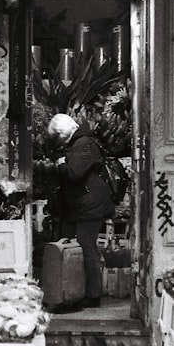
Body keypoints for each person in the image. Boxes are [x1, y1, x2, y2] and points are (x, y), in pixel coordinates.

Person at [47, 113, 115, 309]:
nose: (56, 142)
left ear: (63, 133)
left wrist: (60, 164)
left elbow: (73, 173)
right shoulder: (80, 142)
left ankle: (93, 295)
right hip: (85, 203)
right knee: (84, 246)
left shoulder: (83, 143)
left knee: (87, 247)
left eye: (56, 137)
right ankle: (77, 291)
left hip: (90, 204)